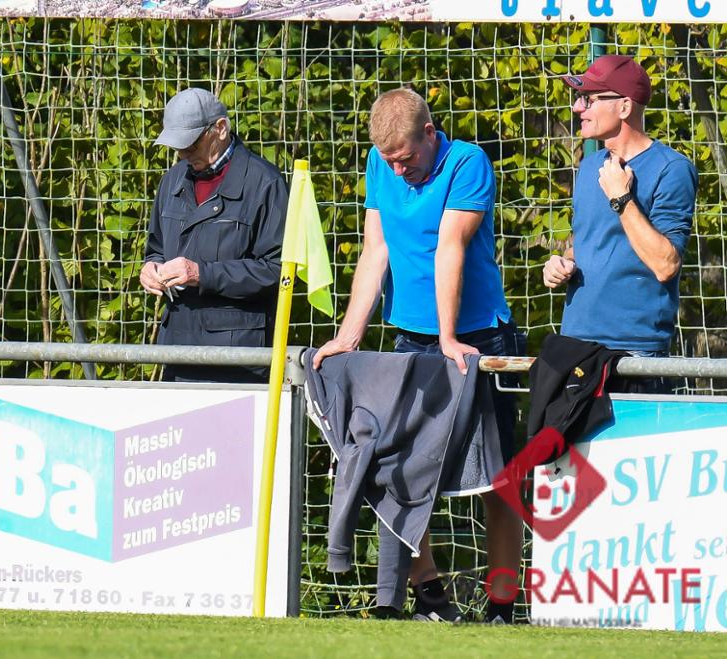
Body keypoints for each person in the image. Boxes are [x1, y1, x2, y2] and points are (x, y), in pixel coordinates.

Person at [312, 88, 523, 624]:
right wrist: (348, 336)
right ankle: (429, 596)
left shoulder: (467, 163)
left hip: (480, 340)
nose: (398, 170)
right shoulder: (380, 164)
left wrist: (449, 337)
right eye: (390, 161)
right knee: (399, 474)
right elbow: (376, 249)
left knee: (497, 480)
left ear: (430, 133)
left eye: (406, 158)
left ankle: (503, 604)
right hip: (409, 340)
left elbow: (450, 247)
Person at [542, 55, 696, 393]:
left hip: (633, 354)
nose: (578, 108)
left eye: (590, 99)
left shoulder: (672, 169)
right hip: (575, 346)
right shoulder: (589, 166)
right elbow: (588, 241)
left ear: (624, 107)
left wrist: (622, 199)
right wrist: (563, 263)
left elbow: (666, 265)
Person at [139, 88, 285, 383]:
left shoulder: (265, 183)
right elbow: (156, 248)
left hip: (238, 360)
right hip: (177, 350)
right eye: (177, 145)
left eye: (190, 143)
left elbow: (278, 271)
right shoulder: (172, 181)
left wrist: (202, 274)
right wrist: (150, 269)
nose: (182, 153)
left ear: (220, 128)